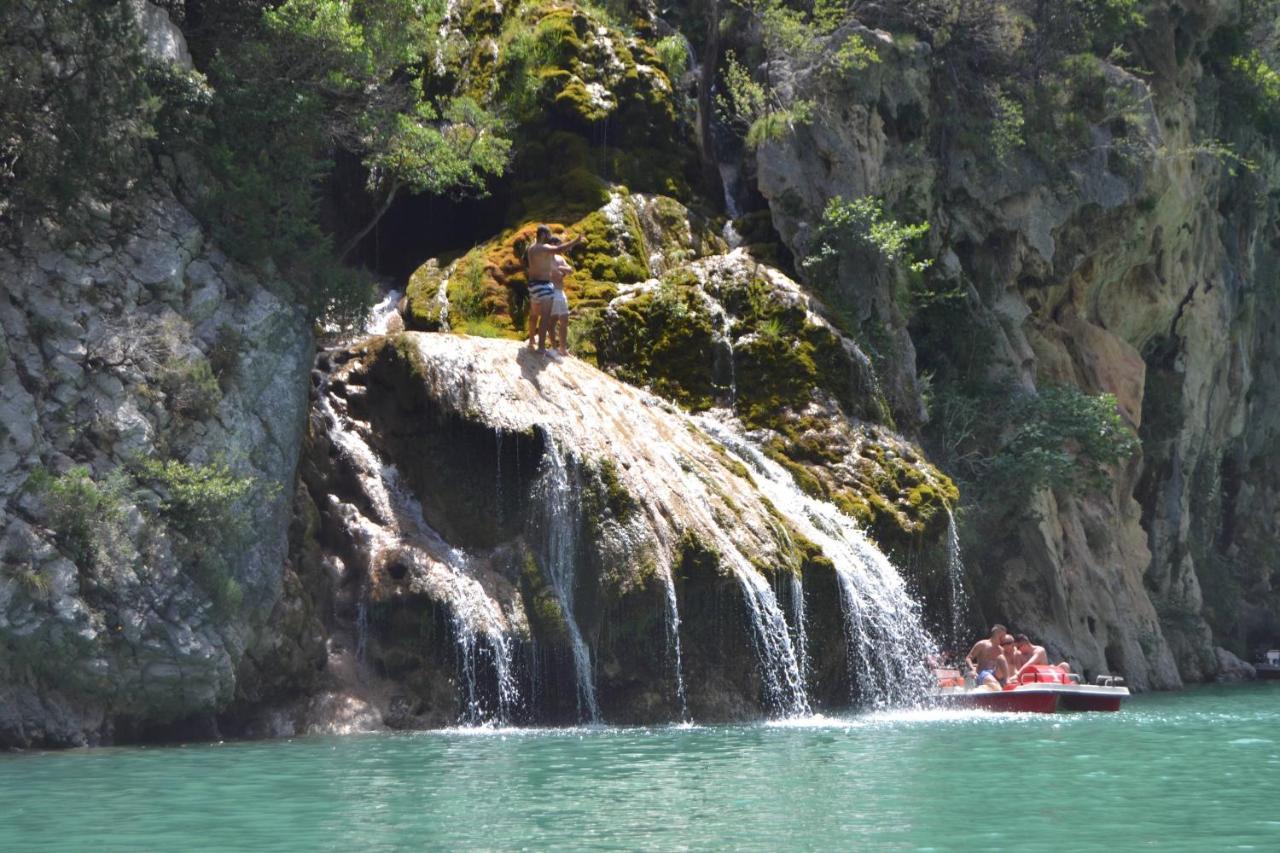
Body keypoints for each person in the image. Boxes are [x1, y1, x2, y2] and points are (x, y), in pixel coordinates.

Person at [524, 225, 582, 351]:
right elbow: (560, 248)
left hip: (532, 285)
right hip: (543, 285)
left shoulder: (531, 248)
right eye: (548, 235)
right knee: (545, 317)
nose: (549, 238)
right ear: (543, 235)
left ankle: (531, 342)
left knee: (534, 314)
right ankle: (541, 348)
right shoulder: (543, 248)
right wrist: (576, 241)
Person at [965, 624, 1011, 691]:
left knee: (1001, 658)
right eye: (1003, 636)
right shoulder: (982, 644)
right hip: (983, 673)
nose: (1004, 638)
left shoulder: (1001, 650)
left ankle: (1007, 681)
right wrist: (972, 669)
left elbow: (1004, 667)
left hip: (995, 673)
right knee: (995, 685)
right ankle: (998, 688)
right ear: (996, 633)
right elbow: (968, 658)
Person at [548, 249, 573, 356]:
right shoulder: (546, 259)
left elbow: (570, 270)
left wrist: (561, 268)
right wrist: (561, 271)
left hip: (561, 291)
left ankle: (563, 348)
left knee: (565, 319)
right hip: (551, 291)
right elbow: (551, 274)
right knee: (552, 321)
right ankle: (553, 347)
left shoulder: (560, 258)